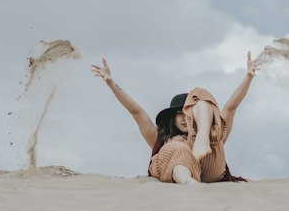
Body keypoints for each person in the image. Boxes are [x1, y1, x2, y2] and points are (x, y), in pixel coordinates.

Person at [91, 53, 258, 184]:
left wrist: (249, 77)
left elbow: (230, 107)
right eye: (180, 115)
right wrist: (112, 84)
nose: (185, 118)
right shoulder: (160, 137)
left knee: (199, 95)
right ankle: (189, 183)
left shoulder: (214, 133)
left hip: (210, 167)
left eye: (188, 114)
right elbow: (137, 112)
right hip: (182, 173)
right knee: (177, 147)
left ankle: (201, 140)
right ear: (172, 119)